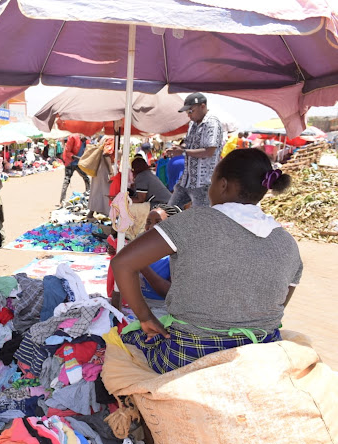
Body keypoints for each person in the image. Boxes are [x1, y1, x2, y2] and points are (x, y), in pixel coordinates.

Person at [111, 148, 302, 374]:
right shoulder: (287, 242)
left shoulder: (195, 221)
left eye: (211, 182)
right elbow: (275, 307)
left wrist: (145, 318)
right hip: (260, 356)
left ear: (223, 185)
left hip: (190, 354)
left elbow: (122, 263)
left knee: (127, 336)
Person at [166, 93, 224, 207]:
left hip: (203, 184)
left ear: (202, 106)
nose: (188, 115)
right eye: (187, 112)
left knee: (199, 220)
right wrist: (179, 148)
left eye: (191, 111)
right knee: (169, 212)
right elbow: (190, 148)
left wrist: (183, 152)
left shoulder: (212, 123)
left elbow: (209, 151)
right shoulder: (192, 124)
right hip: (186, 181)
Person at [60, 133, 91, 204]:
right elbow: (67, 151)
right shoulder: (73, 137)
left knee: (86, 178)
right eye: (84, 138)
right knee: (67, 180)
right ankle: (62, 200)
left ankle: (88, 194)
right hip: (70, 162)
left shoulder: (86, 141)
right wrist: (76, 157)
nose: (85, 140)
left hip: (79, 163)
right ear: (82, 135)